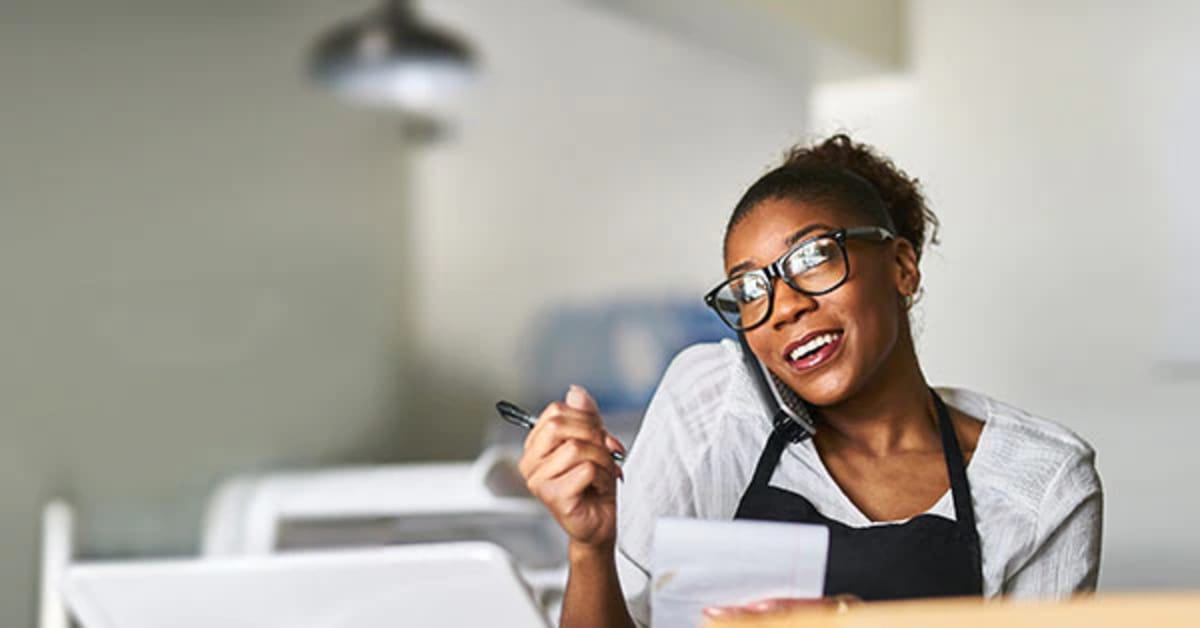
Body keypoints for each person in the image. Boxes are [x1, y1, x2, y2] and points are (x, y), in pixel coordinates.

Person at [517, 135, 1103, 627]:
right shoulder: (715, 399)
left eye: (814, 258)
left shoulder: (1039, 482)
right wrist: (590, 547)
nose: (783, 306)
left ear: (902, 267)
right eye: (749, 290)